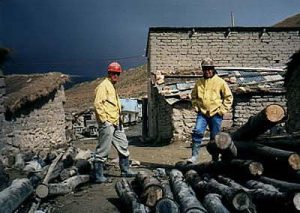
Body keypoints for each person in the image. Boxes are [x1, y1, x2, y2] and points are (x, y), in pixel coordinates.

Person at [93, 62, 136, 183]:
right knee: (103, 149)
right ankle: (98, 175)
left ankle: (125, 170)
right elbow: (98, 104)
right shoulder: (103, 86)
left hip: (116, 122)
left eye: (117, 73)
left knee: (123, 144)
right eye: (113, 73)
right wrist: (104, 120)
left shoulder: (112, 86)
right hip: (108, 123)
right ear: (109, 73)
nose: (116, 75)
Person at [187, 58, 233, 164]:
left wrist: (222, 110)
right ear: (202, 70)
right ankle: (194, 156)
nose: (207, 71)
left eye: (209, 69)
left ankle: (215, 158)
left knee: (214, 137)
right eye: (205, 69)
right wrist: (196, 107)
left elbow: (228, 97)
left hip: (216, 113)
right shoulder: (199, 82)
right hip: (202, 113)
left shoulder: (220, 82)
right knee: (197, 132)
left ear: (213, 69)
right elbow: (193, 96)